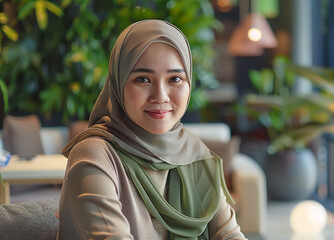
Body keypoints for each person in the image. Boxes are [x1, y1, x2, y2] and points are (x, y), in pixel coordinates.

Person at [57, 19, 247, 239]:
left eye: (175, 78)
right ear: (118, 84)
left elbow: (229, 234)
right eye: (143, 79)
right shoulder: (95, 155)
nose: (161, 96)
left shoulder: (194, 154)